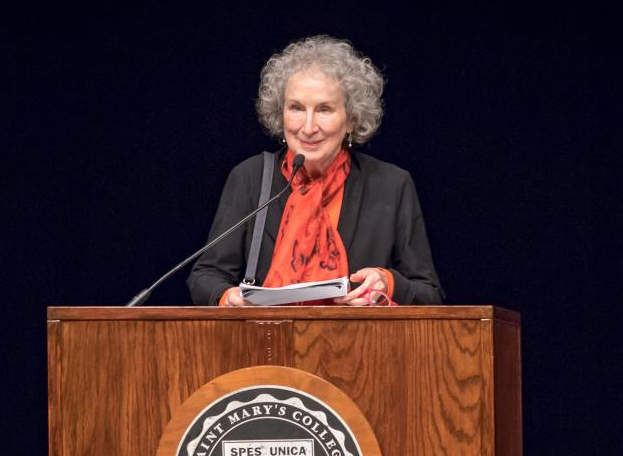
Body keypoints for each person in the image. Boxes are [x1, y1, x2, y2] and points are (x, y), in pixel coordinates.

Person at [188, 36, 444, 307]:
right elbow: (206, 276)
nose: (308, 127)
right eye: (296, 108)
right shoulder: (249, 177)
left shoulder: (392, 184)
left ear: (352, 119)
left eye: (324, 109)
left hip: (359, 346)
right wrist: (229, 298)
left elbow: (429, 295)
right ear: (281, 113)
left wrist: (387, 283)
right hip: (266, 343)